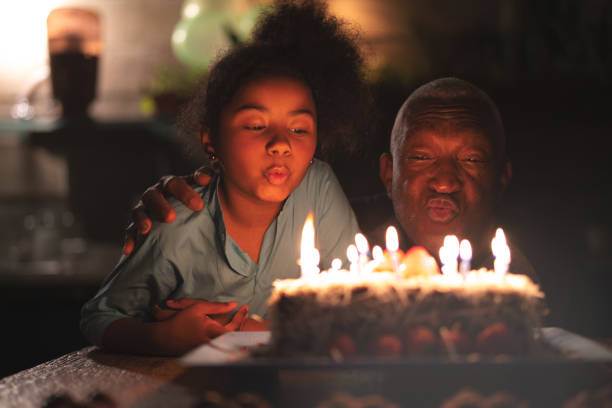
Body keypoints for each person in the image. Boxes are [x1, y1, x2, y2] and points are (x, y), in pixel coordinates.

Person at [80, 0, 371, 356]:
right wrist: (162, 338)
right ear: (210, 139)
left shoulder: (318, 187)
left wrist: (255, 331)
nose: (280, 144)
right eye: (255, 125)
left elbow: (358, 305)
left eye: (299, 128)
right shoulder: (176, 225)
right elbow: (99, 316)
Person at [128, 77, 536, 278]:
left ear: (502, 177)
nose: (444, 180)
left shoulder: (524, 277)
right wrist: (192, 202)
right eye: (421, 156)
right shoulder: (335, 233)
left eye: (470, 159)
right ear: (388, 172)